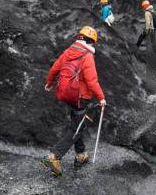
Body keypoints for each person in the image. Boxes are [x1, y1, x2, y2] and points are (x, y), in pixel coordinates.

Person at [41, 26, 107, 177]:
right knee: (75, 128)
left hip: (66, 94)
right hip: (80, 97)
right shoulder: (87, 56)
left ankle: (81, 154)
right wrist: (101, 98)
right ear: (91, 42)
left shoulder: (68, 51)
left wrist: (50, 83)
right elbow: (92, 81)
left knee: (78, 124)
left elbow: (54, 69)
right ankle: (54, 157)